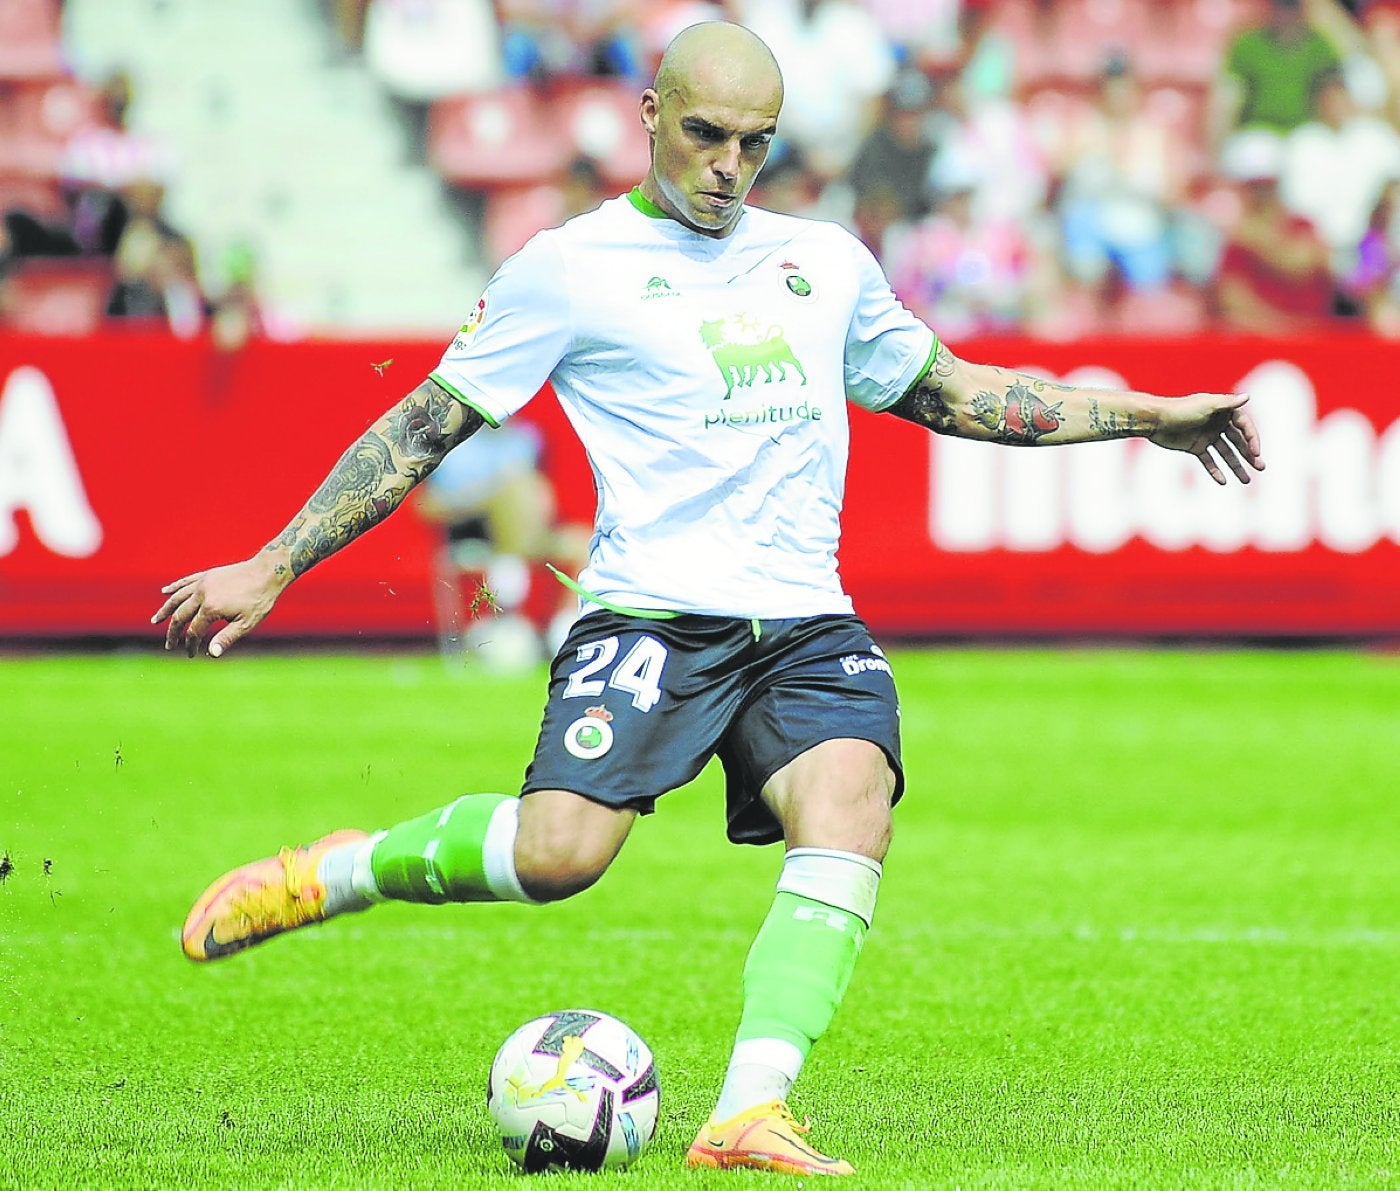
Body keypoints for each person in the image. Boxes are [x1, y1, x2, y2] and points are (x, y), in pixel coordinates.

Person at [152, 22, 1264, 1179]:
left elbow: (953, 394)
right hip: (648, 616)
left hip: (803, 622)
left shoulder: (823, 262)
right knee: (557, 857)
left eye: (755, 144)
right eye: (705, 135)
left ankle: (746, 1112)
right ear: (648, 118)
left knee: (852, 797)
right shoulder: (566, 266)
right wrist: (273, 564)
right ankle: (333, 871)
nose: (729, 165)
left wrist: (1144, 414)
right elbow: (423, 426)